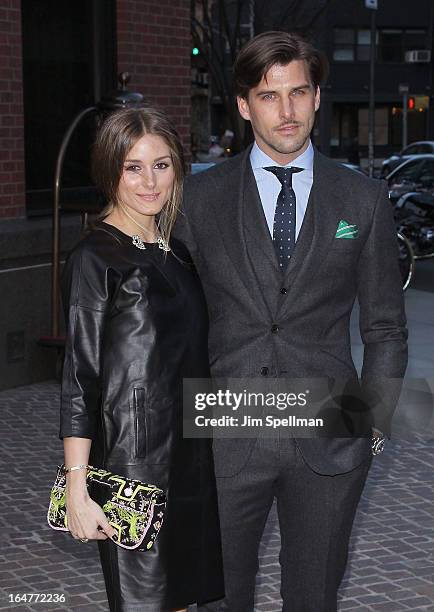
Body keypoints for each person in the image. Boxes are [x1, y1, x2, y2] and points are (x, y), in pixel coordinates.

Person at [175, 31, 408, 611]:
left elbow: (385, 329)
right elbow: (171, 323)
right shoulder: (198, 200)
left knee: (314, 598)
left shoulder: (363, 200)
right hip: (225, 430)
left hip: (331, 431)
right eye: (269, 95)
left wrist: (370, 424)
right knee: (219, 597)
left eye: (298, 92)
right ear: (243, 105)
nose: (286, 110)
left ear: (318, 97)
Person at [59, 106, 224, 612]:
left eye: (161, 164)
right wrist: (77, 492)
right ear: (111, 171)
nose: (150, 182)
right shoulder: (95, 257)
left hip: (193, 460)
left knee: (180, 600)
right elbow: (79, 379)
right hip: (134, 467)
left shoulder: (175, 251)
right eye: (134, 167)